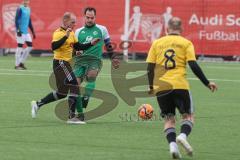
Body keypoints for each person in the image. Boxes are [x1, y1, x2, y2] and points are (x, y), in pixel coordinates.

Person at [146, 17, 217, 159]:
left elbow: (149, 67)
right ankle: (183, 136)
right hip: (180, 85)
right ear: (182, 29)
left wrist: (151, 86)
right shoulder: (186, 43)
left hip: (162, 87)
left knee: (169, 119)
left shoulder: (157, 43)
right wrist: (207, 82)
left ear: (167, 29)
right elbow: (193, 65)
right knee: (189, 116)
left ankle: (173, 147)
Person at [31, 12, 99, 124]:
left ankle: (38, 104)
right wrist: (65, 36)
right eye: (73, 22)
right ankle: (72, 117)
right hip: (60, 63)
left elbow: (78, 46)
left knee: (61, 93)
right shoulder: (58, 33)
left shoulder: (72, 33)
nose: (75, 24)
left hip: (65, 64)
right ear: (66, 22)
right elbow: (54, 47)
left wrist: (90, 43)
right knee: (74, 84)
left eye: (75, 22)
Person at [74, 7, 120, 118]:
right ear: (84, 17)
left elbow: (108, 45)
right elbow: (74, 48)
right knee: (74, 86)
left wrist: (113, 58)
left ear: (95, 17)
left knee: (91, 76)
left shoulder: (102, 29)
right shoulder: (78, 32)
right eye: (88, 17)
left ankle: (86, 97)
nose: (90, 20)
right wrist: (76, 52)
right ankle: (80, 114)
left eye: (92, 18)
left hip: (95, 60)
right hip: (80, 61)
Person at [15, 0, 36, 70]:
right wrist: (18, 30)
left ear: (28, 1)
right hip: (20, 31)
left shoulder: (28, 9)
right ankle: (17, 65)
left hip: (26, 32)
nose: (26, 2)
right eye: (24, 1)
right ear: (22, 1)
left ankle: (21, 62)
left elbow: (29, 21)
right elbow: (16, 19)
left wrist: (33, 32)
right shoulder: (20, 8)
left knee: (30, 46)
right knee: (19, 47)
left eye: (27, 1)